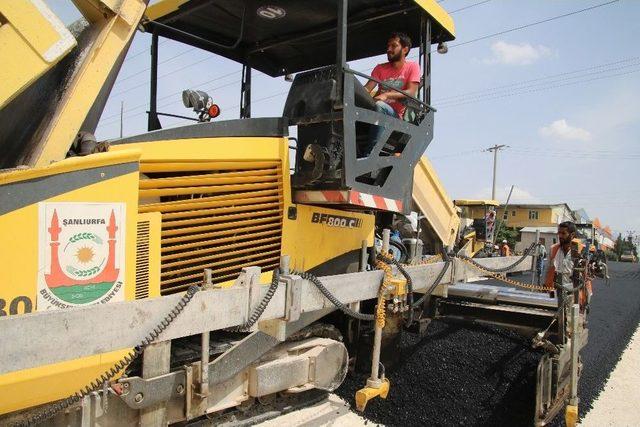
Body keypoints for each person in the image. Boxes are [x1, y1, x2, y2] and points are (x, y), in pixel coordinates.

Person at [361, 32, 421, 157]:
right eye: (388, 46)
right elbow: (368, 88)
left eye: (394, 46)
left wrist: (387, 95)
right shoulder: (380, 68)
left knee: (380, 106)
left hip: (396, 117)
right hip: (377, 110)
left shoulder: (412, 67)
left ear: (405, 49)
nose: (389, 49)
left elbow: (411, 91)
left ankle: (369, 154)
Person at [544, 221, 592, 310]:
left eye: (563, 233)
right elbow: (549, 271)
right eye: (559, 233)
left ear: (572, 235)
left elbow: (587, 278)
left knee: (570, 321)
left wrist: (586, 301)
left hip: (574, 296)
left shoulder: (582, 251)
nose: (560, 236)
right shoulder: (553, 249)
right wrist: (545, 288)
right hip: (554, 293)